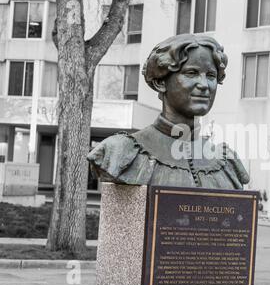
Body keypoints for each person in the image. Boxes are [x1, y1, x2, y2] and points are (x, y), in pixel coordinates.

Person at [87, 34, 249, 189]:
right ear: (160, 82)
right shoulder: (120, 152)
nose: (204, 85)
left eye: (211, 76)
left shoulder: (226, 163)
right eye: (191, 73)